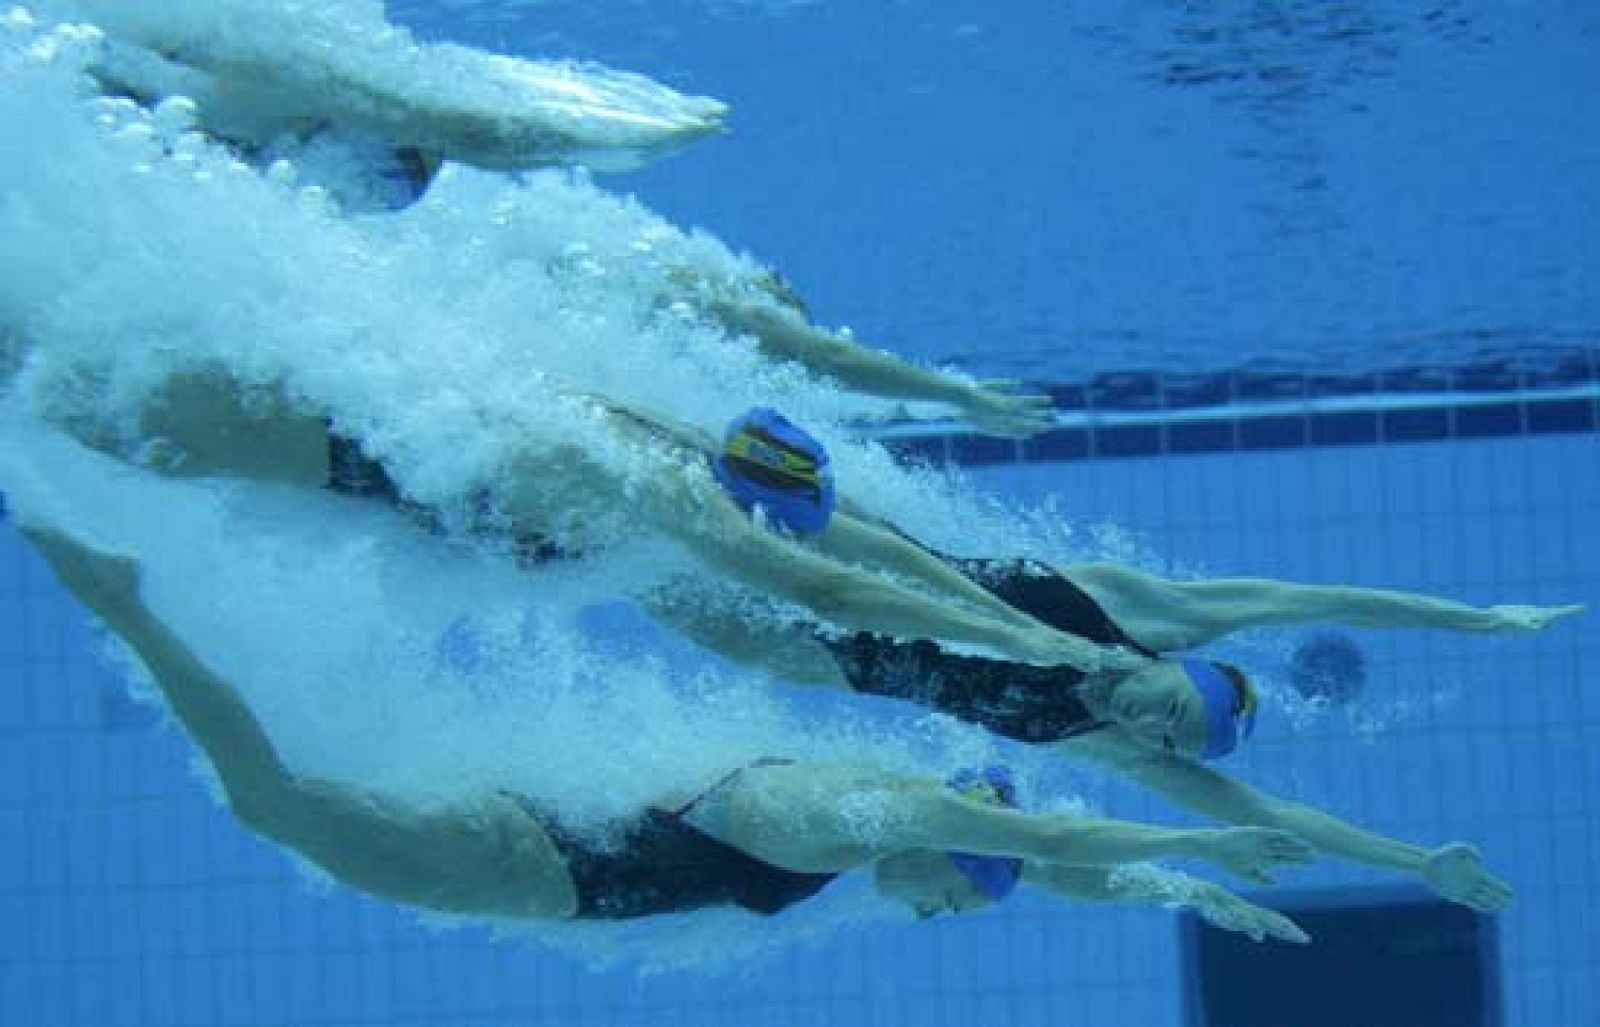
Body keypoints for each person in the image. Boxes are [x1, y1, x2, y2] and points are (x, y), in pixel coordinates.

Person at [17, 523, 1314, 938]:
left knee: (288, 799)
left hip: (552, 856)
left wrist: (1176, 888)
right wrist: (1182, 861)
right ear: (955, 851)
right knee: (277, 803)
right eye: (962, 898)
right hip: (545, 864)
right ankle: (132, 606)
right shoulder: (859, 815)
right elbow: (1036, 829)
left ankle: (181, 597)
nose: (944, 912)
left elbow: (1043, 853)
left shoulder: (874, 824)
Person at [651, 416, 1585, 914]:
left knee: (653, 580)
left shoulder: (1122, 747)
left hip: (824, 654)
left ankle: (540, 542)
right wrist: (1474, 619)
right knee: (697, 489)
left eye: (1166, 740)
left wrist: (1418, 861)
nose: (1148, 726)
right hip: (862, 561)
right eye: (1171, 711)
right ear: (1188, 667)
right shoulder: (1149, 610)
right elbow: (1319, 598)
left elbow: (1277, 817)